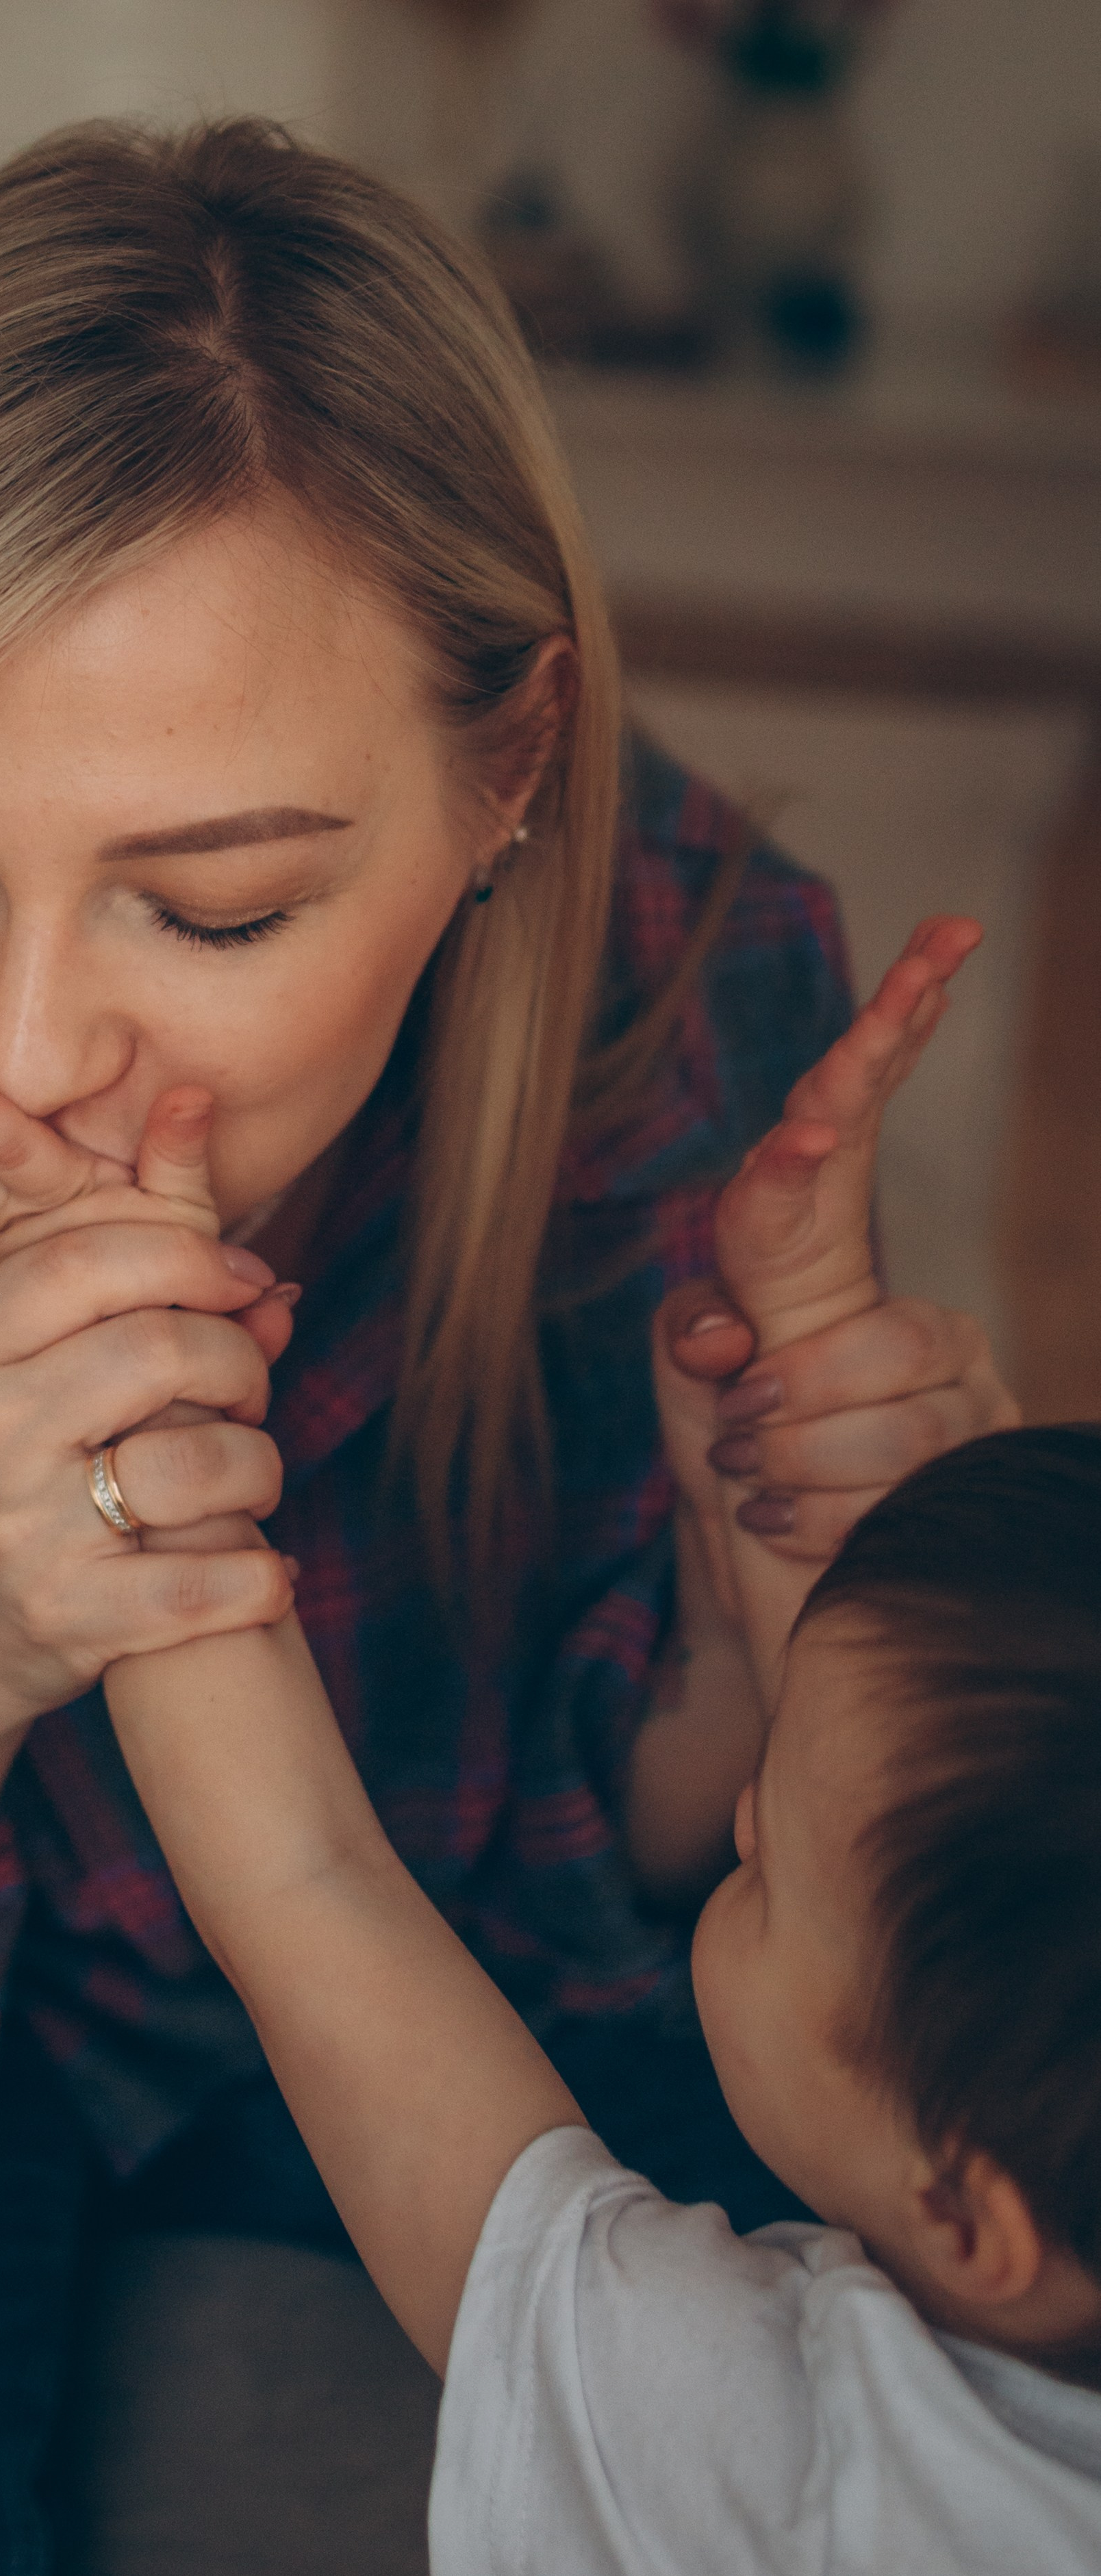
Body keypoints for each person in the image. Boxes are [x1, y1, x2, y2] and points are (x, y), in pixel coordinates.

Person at [0, 118, 1016, 2574]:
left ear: (510, 770)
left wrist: (767, 1597)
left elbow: (632, 1901)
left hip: (452, 1955)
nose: (29, 1049)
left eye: (215, 909)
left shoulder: (686, 993)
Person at [77, 942, 1101, 2573]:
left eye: (771, 1869)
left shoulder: (757, 2439)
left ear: (969, 2218)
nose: (741, 1810)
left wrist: (123, 1389)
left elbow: (307, 1887)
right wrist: (807, 1335)